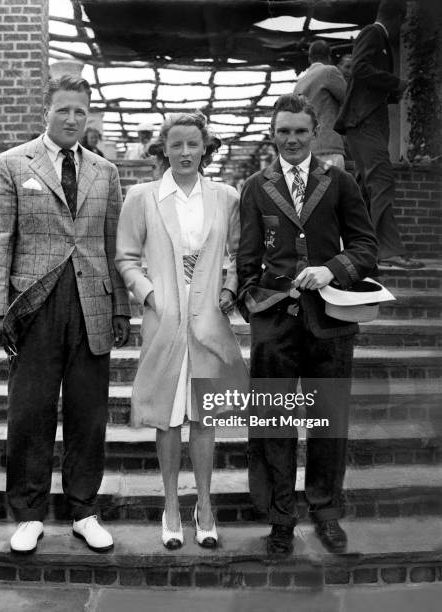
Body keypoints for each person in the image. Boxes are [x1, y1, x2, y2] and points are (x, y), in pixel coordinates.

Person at [0, 75, 131, 554]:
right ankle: (28, 514)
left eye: (80, 112)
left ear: (89, 117)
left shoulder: (105, 172)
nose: (72, 119)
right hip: (34, 306)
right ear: (45, 111)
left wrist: (121, 308)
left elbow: (115, 246)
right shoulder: (10, 164)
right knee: (30, 413)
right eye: (63, 109)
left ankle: (84, 510)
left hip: (92, 304)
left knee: (90, 415)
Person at [237, 94, 378, 556]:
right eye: (284, 131)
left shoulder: (339, 181)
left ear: (314, 132)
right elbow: (247, 262)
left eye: (300, 131)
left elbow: (365, 247)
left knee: (329, 421)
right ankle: (280, 518)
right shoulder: (256, 186)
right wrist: (255, 309)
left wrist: (332, 268)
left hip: (331, 324)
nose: (292, 139)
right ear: (272, 134)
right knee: (273, 422)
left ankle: (326, 512)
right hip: (275, 325)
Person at [116, 111, 247, 550]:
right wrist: (151, 296)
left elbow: (239, 254)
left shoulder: (227, 196)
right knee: (168, 416)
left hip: (208, 317)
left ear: (205, 148)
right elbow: (126, 257)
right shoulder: (142, 197)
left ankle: (205, 505)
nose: (186, 152)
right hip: (165, 318)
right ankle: (171, 505)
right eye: (177, 144)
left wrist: (229, 289)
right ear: (164, 148)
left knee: (205, 417)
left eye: (194, 144)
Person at [335, 0, 423, 269]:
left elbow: (367, 79)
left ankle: (365, 249)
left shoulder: (377, 37)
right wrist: (395, 82)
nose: (401, 31)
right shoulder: (373, 33)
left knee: (366, 189)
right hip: (363, 124)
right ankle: (383, 251)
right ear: (396, 18)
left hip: (366, 124)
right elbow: (360, 69)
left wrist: (391, 92)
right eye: (402, 24)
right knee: (381, 181)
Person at [293, 41, 347, 169]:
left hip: (306, 151)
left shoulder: (299, 84)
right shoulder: (329, 71)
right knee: (333, 188)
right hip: (329, 146)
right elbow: (348, 99)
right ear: (329, 56)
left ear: (309, 58)